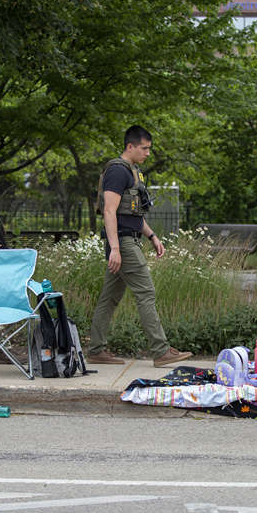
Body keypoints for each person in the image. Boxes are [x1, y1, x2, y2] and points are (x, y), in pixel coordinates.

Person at [87, 125, 193, 367]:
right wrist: (115, 248)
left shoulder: (133, 172)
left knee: (109, 297)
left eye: (149, 149)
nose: (147, 153)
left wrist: (152, 236)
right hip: (123, 243)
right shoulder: (118, 171)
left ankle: (96, 350)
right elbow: (109, 211)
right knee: (146, 292)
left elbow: (132, 214)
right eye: (144, 148)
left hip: (128, 238)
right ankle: (161, 350)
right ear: (130, 146)